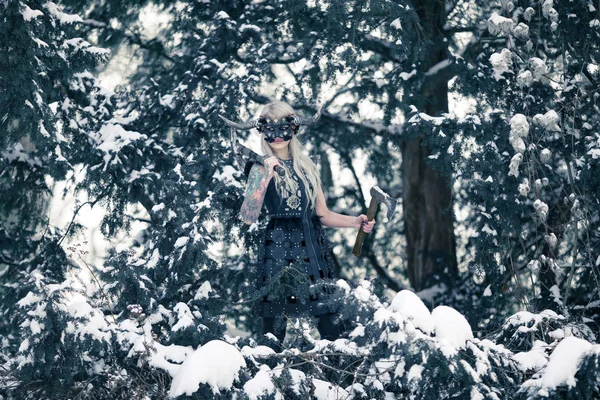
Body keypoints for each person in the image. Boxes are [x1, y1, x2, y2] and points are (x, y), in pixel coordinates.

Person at [220, 100, 375, 350]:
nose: (277, 136)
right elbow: (248, 215)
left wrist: (355, 222)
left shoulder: (308, 166)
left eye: (283, 128)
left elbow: (322, 213)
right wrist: (266, 176)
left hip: (313, 251)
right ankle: (267, 382)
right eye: (270, 130)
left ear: (294, 129)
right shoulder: (258, 167)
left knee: (330, 324)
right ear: (262, 131)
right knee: (273, 333)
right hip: (279, 253)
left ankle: (340, 382)